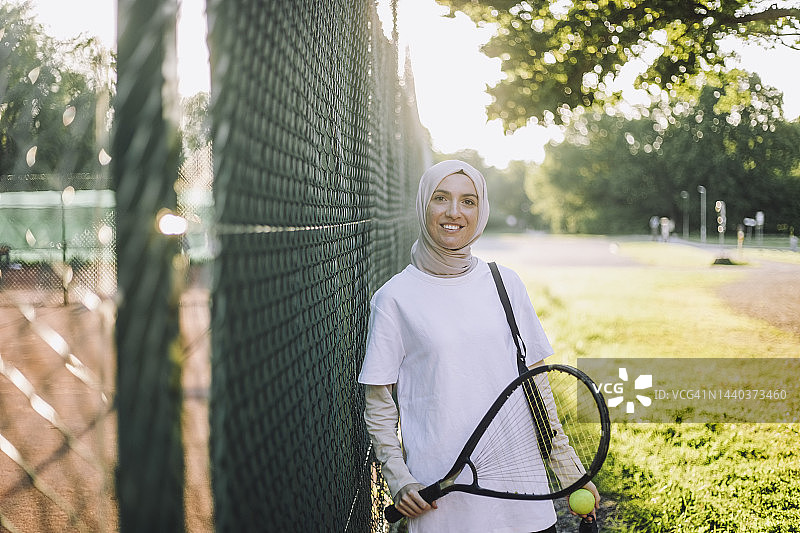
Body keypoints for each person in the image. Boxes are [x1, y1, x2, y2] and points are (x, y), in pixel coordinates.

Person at [358, 160, 600, 532]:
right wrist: (400, 479)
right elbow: (379, 405)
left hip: (521, 495)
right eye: (441, 198)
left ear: (481, 210)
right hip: (440, 503)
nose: (454, 212)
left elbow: (537, 385)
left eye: (468, 201)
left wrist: (568, 468)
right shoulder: (393, 299)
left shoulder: (505, 284)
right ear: (424, 204)